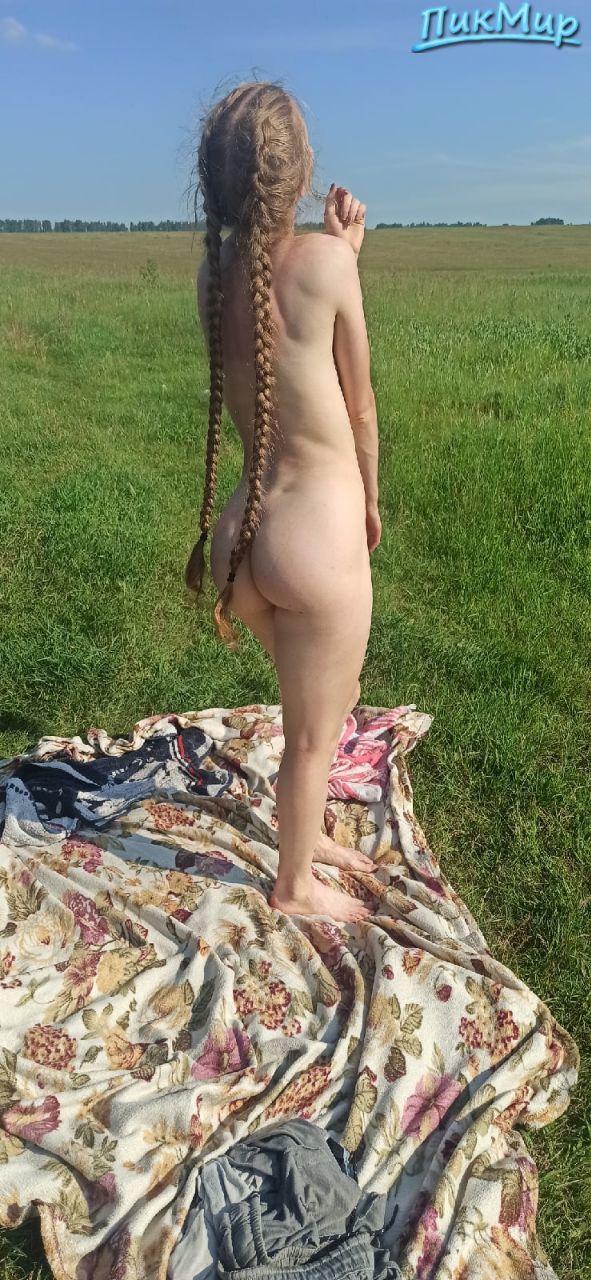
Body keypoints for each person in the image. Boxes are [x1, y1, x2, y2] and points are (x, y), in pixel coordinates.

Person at [185, 80, 382, 922]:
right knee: (313, 731)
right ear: (300, 173)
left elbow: (276, 329)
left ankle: (308, 836)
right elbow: (358, 404)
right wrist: (371, 500)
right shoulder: (327, 264)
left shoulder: (213, 274)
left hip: (241, 538)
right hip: (312, 534)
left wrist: (340, 252)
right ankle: (294, 885)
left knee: (317, 705)